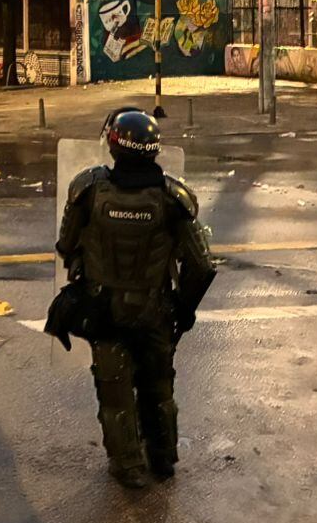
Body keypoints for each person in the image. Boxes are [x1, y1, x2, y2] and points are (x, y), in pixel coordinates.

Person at [56, 108, 216, 487]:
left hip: (104, 310)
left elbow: (65, 244)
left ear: (113, 144)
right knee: (158, 386)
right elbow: (202, 265)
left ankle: (127, 466)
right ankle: (163, 459)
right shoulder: (173, 197)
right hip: (155, 311)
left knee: (114, 392)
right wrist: (183, 309)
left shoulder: (87, 189)